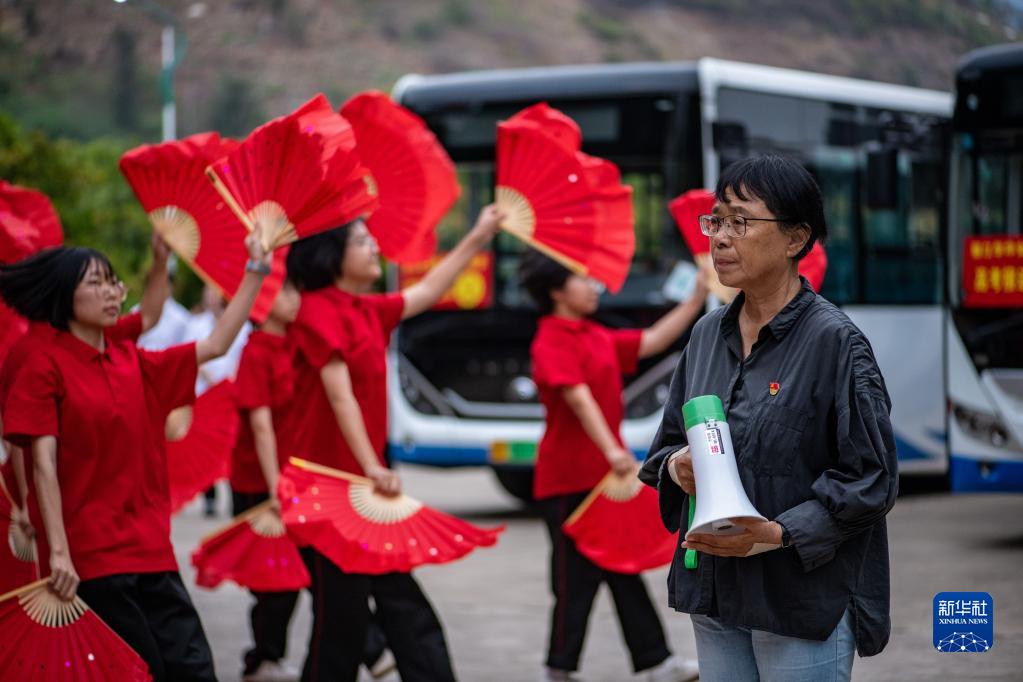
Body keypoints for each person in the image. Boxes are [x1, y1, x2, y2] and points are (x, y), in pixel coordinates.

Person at [639, 155, 898, 682]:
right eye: (715, 220)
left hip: (798, 598)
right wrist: (676, 467)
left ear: (796, 239)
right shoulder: (707, 336)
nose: (720, 238)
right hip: (715, 589)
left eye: (741, 221)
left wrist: (777, 533)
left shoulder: (835, 343)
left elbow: (872, 478)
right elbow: (665, 447)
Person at [0, 226, 273, 682]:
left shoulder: (138, 362)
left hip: (152, 552)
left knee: (194, 670)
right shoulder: (43, 366)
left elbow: (218, 344)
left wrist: (256, 269)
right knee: (136, 671)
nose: (111, 293)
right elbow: (42, 463)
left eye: (113, 282)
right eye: (96, 283)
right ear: (65, 297)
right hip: (92, 561)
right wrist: (60, 554)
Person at [284, 206, 504, 682]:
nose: (373, 249)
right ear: (332, 255)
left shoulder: (368, 309)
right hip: (329, 490)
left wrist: (478, 235)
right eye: (361, 242)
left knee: (401, 601)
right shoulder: (316, 310)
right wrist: (374, 466)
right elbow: (338, 395)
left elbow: (427, 290)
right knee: (340, 617)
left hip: (366, 486)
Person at [519, 250, 705, 682]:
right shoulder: (551, 338)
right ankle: (559, 668)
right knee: (573, 578)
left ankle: (655, 661)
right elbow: (577, 399)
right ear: (557, 292)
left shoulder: (595, 334)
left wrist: (696, 297)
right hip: (570, 480)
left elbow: (654, 340)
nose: (593, 286)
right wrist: (613, 452)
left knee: (622, 567)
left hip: (605, 478)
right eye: (582, 279)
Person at [229, 280, 302, 682]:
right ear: (266, 299)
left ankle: (266, 656)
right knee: (273, 579)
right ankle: (262, 658)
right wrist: (275, 486)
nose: (296, 299)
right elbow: (261, 427)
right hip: (258, 481)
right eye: (288, 292)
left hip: (290, 478)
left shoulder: (295, 344)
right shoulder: (255, 352)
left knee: (290, 575)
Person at [184, 283, 251, 516]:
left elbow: (241, 357)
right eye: (208, 292)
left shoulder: (242, 327)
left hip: (229, 393)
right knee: (205, 445)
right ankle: (209, 494)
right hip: (202, 393)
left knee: (230, 447)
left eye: (216, 293)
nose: (211, 297)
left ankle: (235, 496)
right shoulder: (195, 325)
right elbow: (186, 353)